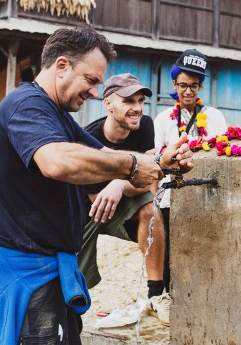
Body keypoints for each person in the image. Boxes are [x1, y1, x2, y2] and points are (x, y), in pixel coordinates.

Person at [0, 26, 193, 345]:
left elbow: (106, 154)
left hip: (50, 267)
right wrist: (134, 165)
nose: (95, 92)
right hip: (22, 274)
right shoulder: (25, 105)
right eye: (91, 81)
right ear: (63, 66)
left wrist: (161, 161)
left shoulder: (59, 116)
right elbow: (57, 161)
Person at [77, 73, 169, 325]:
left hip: (119, 204)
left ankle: (156, 295)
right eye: (129, 101)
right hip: (87, 210)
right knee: (73, 286)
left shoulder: (145, 125)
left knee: (152, 211)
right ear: (108, 103)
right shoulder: (89, 139)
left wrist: (118, 182)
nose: (137, 108)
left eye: (140, 101)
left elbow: (152, 180)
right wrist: (133, 176)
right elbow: (100, 199)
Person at [153, 49, 227, 292]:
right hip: (169, 198)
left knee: (202, 247)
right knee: (168, 252)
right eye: (183, 85)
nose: (188, 91)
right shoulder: (163, 119)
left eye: (194, 85)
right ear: (174, 84)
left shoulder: (215, 117)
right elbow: (154, 161)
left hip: (203, 195)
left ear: (200, 87)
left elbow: (221, 155)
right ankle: (165, 297)